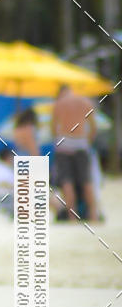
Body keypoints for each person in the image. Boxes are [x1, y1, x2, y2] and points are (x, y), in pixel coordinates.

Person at [51, 85, 98, 221]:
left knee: (67, 181)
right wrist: (87, 141)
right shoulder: (85, 102)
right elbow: (93, 127)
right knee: (86, 180)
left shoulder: (58, 104)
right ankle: (93, 215)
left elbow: (54, 128)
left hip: (64, 143)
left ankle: (72, 217)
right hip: (81, 142)